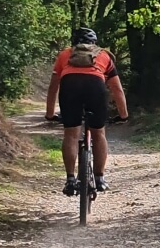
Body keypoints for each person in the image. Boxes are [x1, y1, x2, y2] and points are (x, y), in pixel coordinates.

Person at [44, 28, 130, 196]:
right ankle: (99, 178)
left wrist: (49, 113)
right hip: (95, 87)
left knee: (71, 134)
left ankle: (70, 179)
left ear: (74, 42)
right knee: (99, 133)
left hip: (70, 87)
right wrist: (123, 115)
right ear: (94, 43)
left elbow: (53, 87)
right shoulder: (104, 55)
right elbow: (117, 89)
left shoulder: (65, 55)